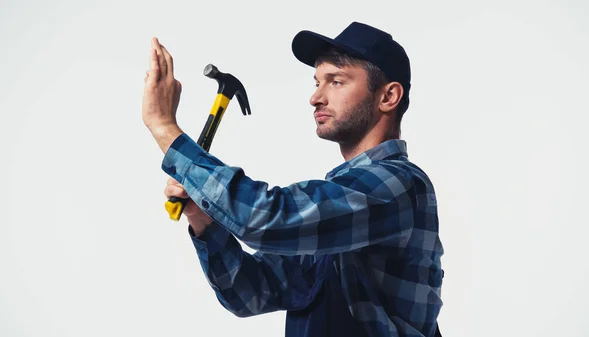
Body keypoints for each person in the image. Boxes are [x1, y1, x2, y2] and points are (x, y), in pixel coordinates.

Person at [142, 21, 444, 337]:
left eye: (336, 82)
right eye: (317, 82)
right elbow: (247, 292)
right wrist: (203, 218)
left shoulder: (398, 186)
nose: (316, 97)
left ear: (388, 96)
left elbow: (267, 219)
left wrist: (165, 128)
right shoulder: (337, 213)